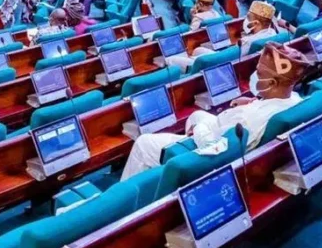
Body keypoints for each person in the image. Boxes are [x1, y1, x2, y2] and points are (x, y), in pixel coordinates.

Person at [120, 42, 309, 180]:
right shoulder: (295, 99)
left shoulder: (247, 119)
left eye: (259, 73)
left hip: (214, 151)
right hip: (230, 128)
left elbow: (215, 147)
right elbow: (267, 108)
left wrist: (199, 128)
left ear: (272, 83)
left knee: (144, 143)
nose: (254, 76)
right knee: (196, 114)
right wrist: (255, 100)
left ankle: (127, 204)